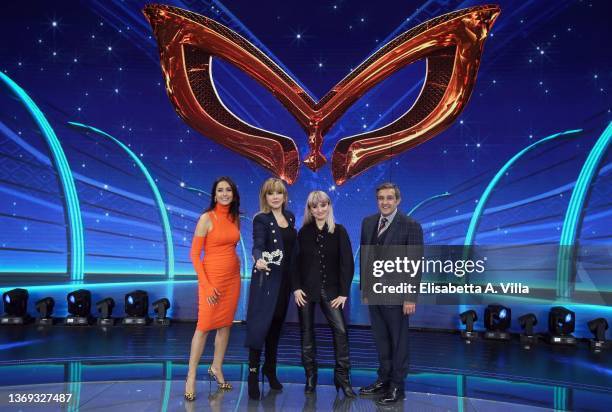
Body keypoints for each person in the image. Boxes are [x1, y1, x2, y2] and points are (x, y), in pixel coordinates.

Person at [358, 182, 424, 405]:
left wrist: (410, 297)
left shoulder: (410, 225)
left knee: (398, 342)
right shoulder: (368, 223)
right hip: (374, 293)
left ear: (398, 200)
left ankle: (397, 386)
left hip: (397, 295)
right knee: (381, 341)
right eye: (381, 198)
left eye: (389, 198)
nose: (384, 202)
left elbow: (415, 263)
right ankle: (383, 380)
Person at [291, 190, 356, 397]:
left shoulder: (339, 231)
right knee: (307, 334)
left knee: (341, 332)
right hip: (306, 292)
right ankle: (311, 377)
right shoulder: (303, 232)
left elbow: (347, 263)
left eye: (323, 205)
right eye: (314, 206)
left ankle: (342, 378)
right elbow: (295, 263)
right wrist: (296, 287)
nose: (319, 209)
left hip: (332, 291)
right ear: (310, 209)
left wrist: (344, 292)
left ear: (329, 206)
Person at [184, 177, 242, 401]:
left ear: (233, 194)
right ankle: (190, 376)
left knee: (225, 325)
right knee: (204, 326)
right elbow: (194, 255)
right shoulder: (206, 218)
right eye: (220, 190)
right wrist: (207, 286)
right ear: (214, 194)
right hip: (212, 280)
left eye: (228, 190)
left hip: (232, 279)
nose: (225, 193)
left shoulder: (235, 217)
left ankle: (216, 367)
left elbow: (230, 247)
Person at [245, 178, 297, 400]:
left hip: (284, 282)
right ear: (265, 197)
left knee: (276, 328)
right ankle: (253, 374)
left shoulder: (291, 217)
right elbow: (257, 244)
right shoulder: (261, 219)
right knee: (260, 328)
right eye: (270, 193)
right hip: (266, 281)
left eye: (279, 193)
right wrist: (257, 259)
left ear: (285, 196)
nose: (275, 197)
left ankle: (270, 369)